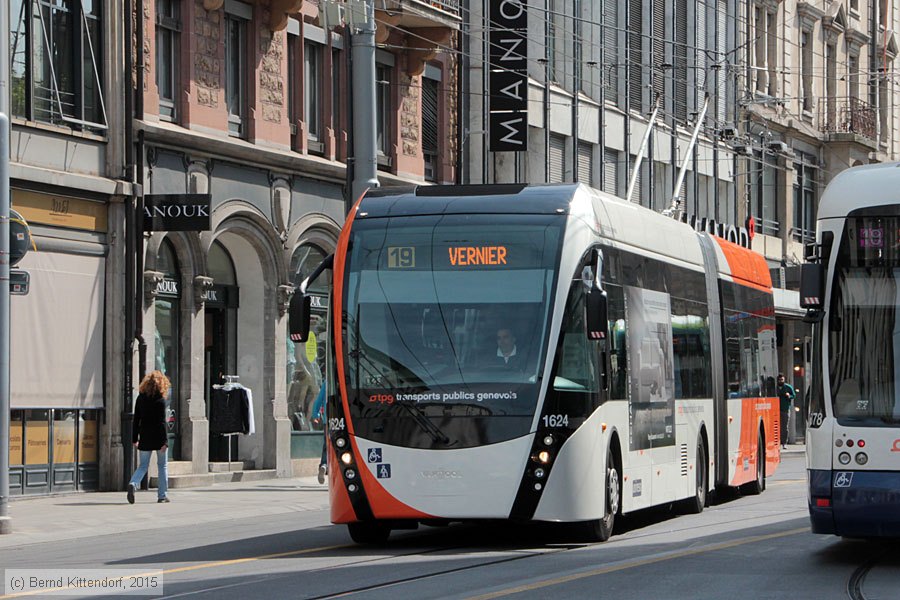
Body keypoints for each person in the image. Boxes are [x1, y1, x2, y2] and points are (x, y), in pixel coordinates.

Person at [127, 370, 171, 504]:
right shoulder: (160, 400)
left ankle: (133, 483)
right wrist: (165, 441)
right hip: (158, 437)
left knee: (143, 466)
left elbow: (136, 420)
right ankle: (162, 495)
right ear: (161, 384)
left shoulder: (140, 398)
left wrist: (134, 439)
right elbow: (162, 422)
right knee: (162, 465)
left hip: (145, 436)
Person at [311, 383, 328, 484]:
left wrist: (315, 414)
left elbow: (318, 400)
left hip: (328, 421)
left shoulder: (327, 382)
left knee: (327, 445)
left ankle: (324, 465)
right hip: (344, 420)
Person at [777, 373, 796, 449]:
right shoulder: (775, 388)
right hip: (776, 409)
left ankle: (784, 442)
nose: (780, 381)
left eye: (782, 379)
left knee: (784, 427)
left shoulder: (788, 387)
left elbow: (794, 395)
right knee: (777, 426)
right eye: (779, 380)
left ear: (784, 379)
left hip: (785, 409)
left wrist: (789, 396)